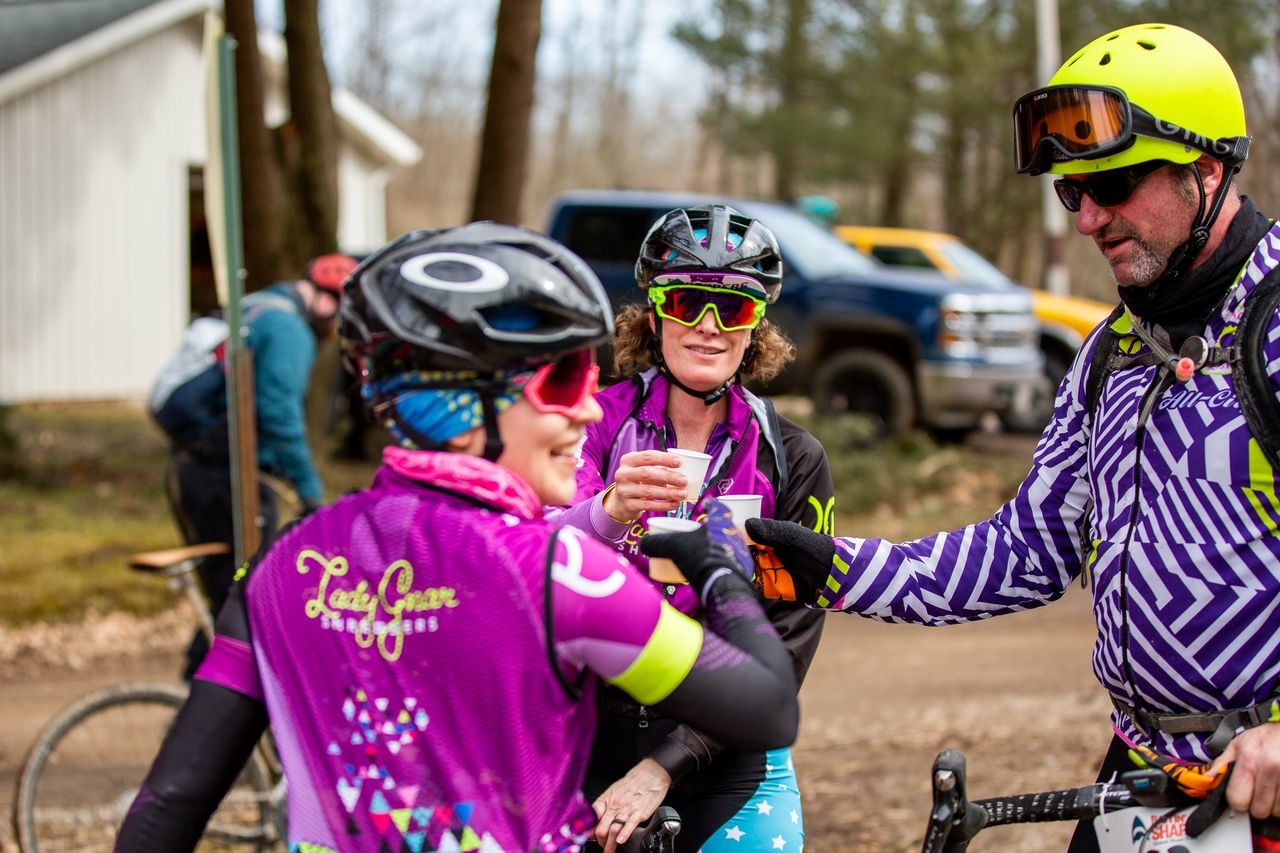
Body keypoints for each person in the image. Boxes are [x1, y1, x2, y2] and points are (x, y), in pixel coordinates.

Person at [744, 22, 1280, 851]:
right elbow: (1027, 549)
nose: (1088, 218)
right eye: (1073, 192)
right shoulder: (1114, 351)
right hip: (1142, 777)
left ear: (1207, 169)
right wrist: (841, 570)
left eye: (1118, 184)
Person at [115, 223, 800, 853]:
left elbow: (167, 807)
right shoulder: (560, 574)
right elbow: (768, 708)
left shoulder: (282, 564)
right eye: (562, 380)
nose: (590, 406)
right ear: (460, 406)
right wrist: (715, 569)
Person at [553, 205, 834, 851]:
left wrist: (664, 765)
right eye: (685, 302)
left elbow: (788, 638)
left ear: (755, 325)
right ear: (654, 315)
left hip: (726, 745)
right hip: (586, 733)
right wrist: (607, 512)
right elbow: (530, 557)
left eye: (731, 310)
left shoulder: (791, 456)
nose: (707, 327)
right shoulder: (589, 422)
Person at [153, 252, 358, 678]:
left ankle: (198, 690)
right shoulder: (288, 330)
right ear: (327, 302)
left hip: (196, 470)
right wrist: (309, 490)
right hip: (225, 479)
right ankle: (206, 696)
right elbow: (279, 413)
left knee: (233, 585)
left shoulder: (259, 305)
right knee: (250, 587)